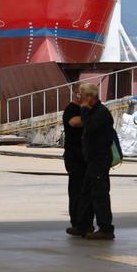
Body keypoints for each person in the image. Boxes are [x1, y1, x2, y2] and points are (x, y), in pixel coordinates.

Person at [75, 82, 115, 240]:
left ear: (91, 97)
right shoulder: (95, 111)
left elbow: (89, 126)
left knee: (100, 194)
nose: (81, 100)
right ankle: (83, 225)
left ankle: (106, 228)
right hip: (92, 160)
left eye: (83, 97)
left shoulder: (101, 112)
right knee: (86, 193)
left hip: (100, 159)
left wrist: (84, 109)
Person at [62, 90, 87, 236]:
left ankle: (84, 222)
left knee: (85, 191)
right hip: (76, 158)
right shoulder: (71, 110)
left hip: (84, 157)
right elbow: (74, 122)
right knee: (77, 190)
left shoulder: (85, 110)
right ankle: (77, 223)